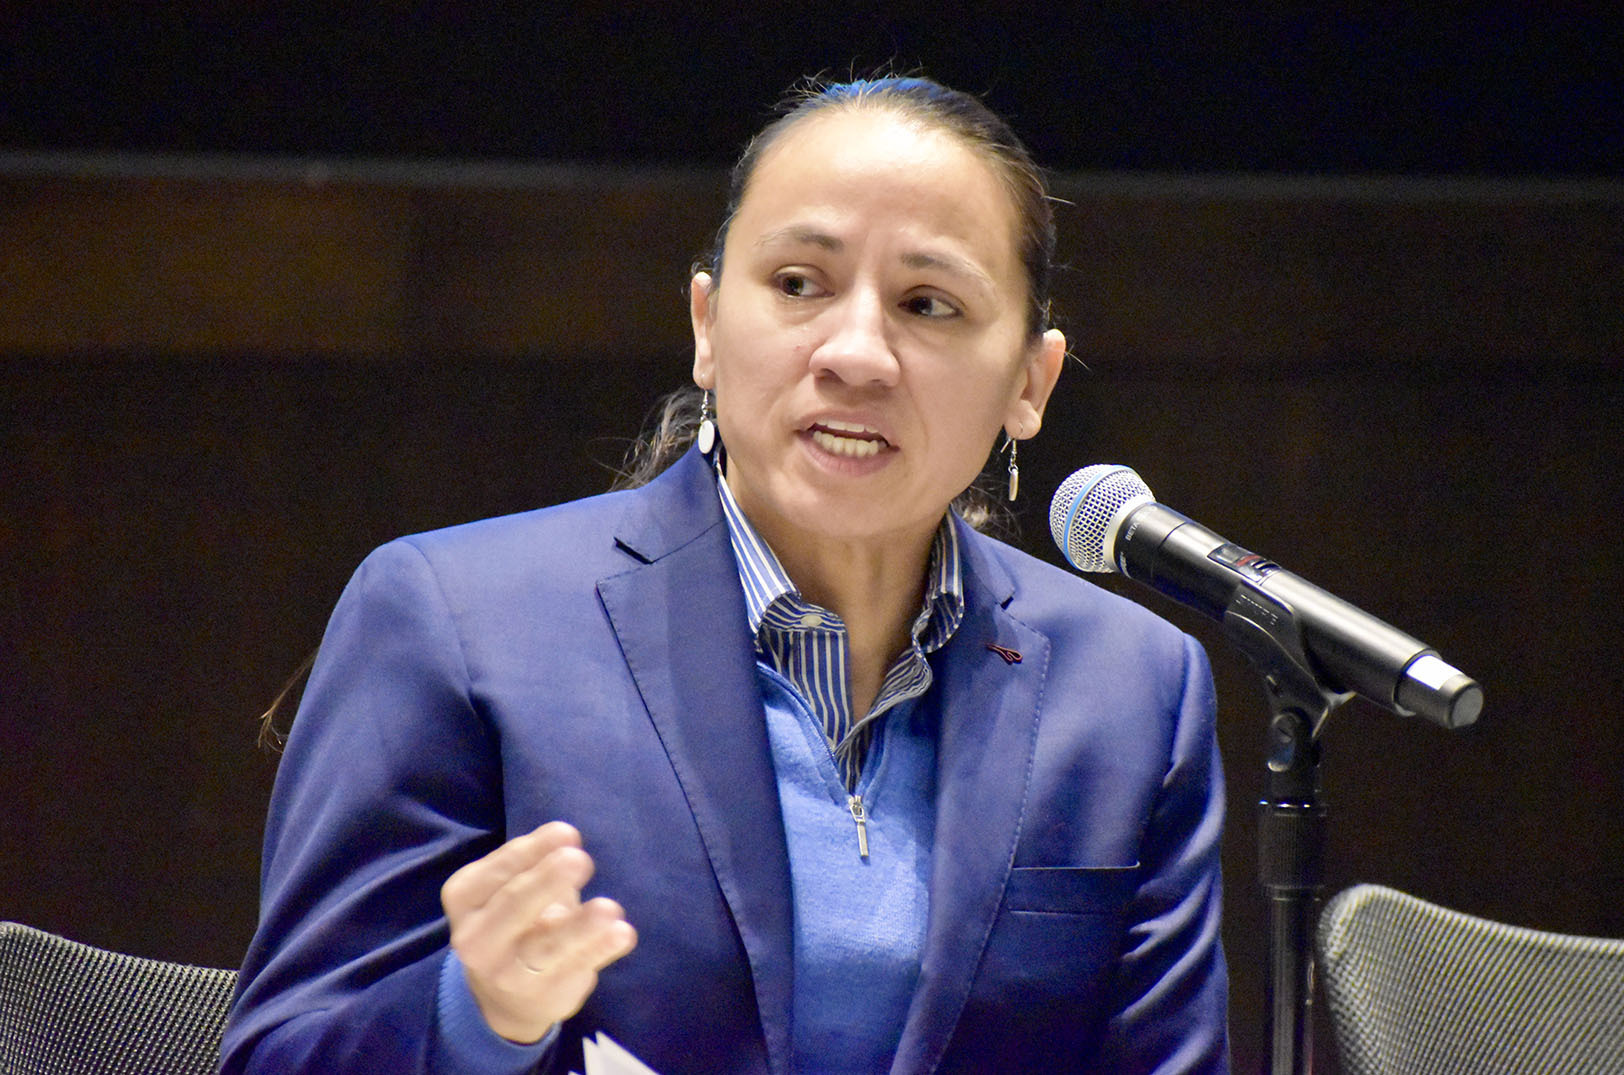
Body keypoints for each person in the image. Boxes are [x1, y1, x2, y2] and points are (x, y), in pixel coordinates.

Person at [221, 75, 1228, 1074]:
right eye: (798, 284)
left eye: (928, 303)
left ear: (1028, 381)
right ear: (706, 323)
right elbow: (285, 1057)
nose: (857, 352)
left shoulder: (1131, 689)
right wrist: (477, 1013)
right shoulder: (458, 620)